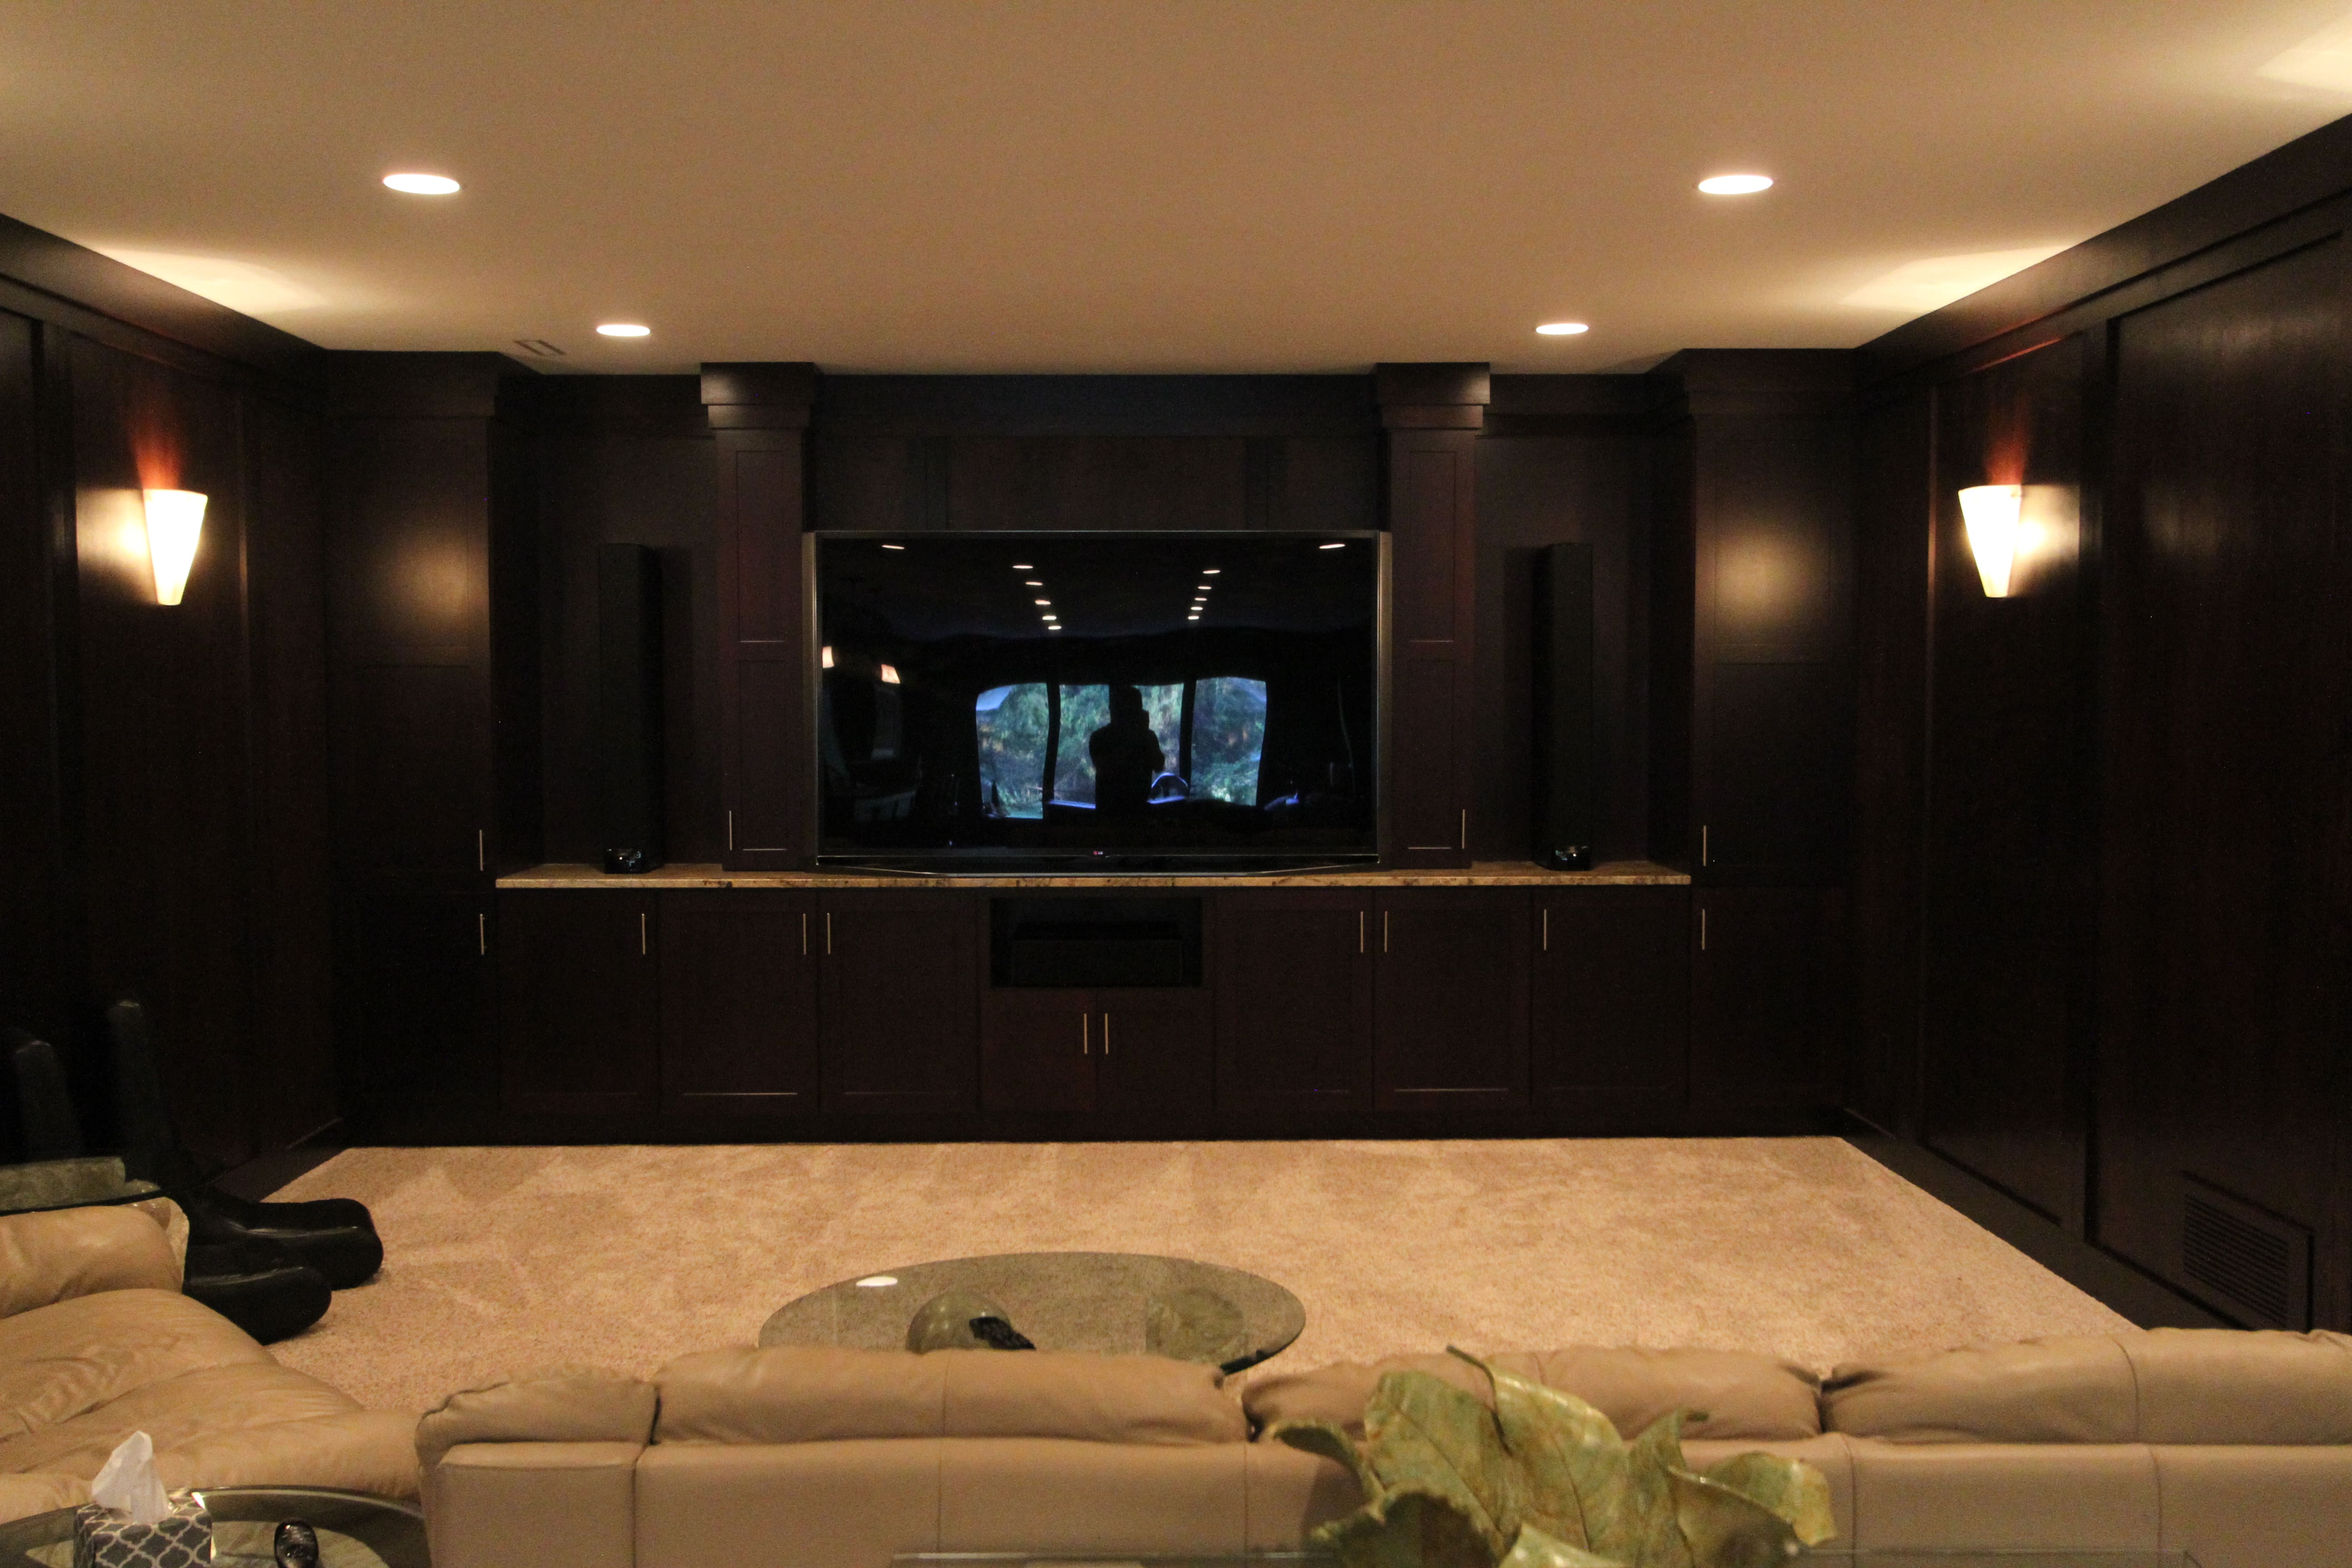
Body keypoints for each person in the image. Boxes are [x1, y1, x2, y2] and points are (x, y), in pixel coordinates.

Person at [1088, 685, 1164, 814]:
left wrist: (1142, 734)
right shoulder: (1099, 738)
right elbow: (1106, 769)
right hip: (1110, 813)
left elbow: (1159, 766)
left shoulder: (1147, 736)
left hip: (1135, 811)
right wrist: (1138, 735)